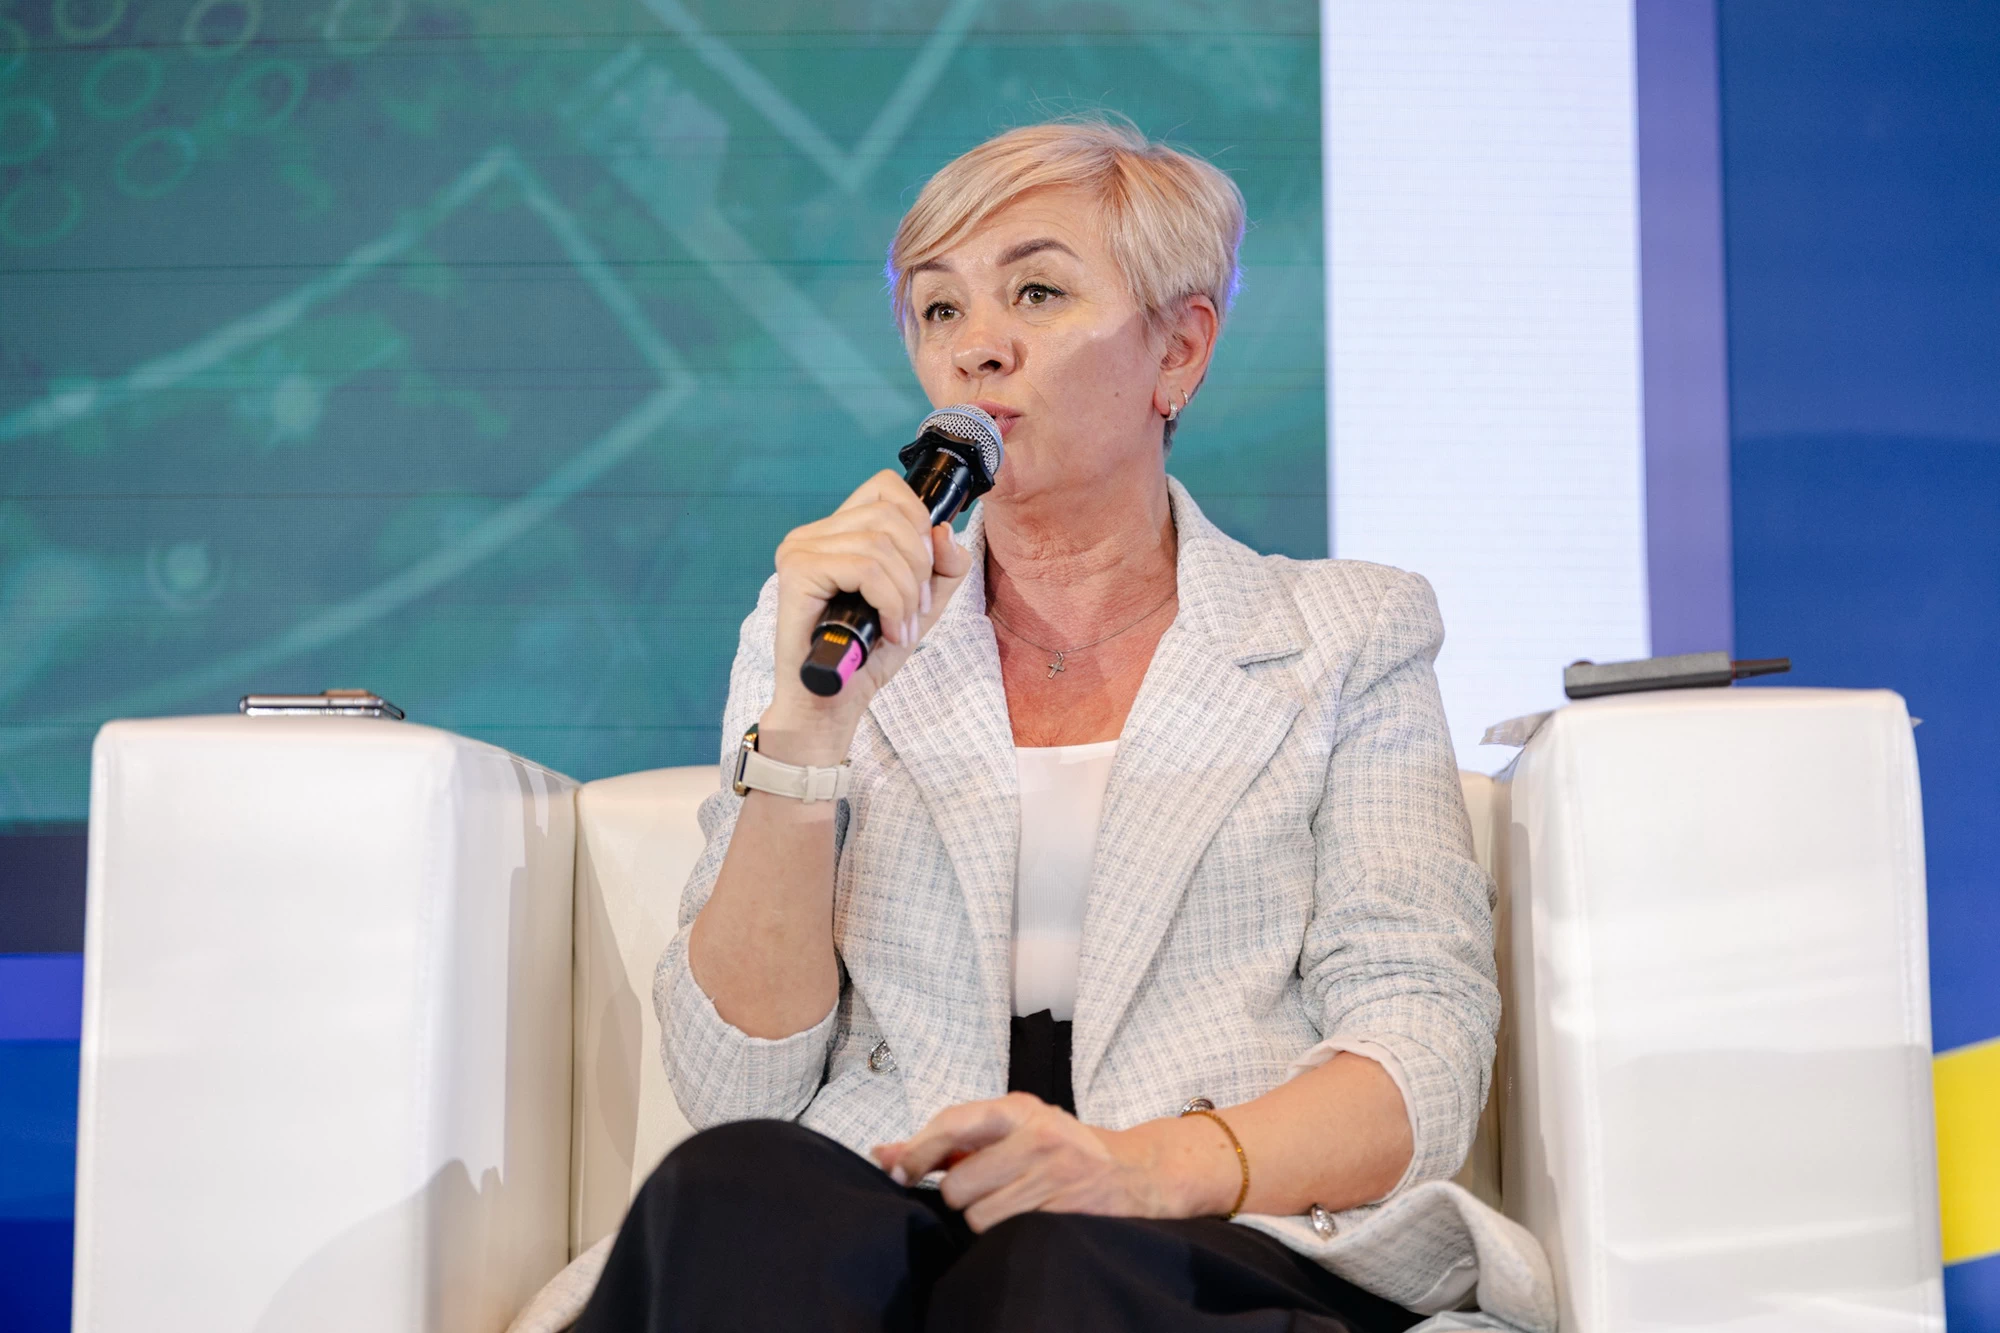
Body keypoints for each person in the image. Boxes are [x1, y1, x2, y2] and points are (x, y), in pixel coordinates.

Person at [574, 118, 1512, 1333]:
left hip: (1200, 1238)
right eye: (938, 309)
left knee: (1053, 1271)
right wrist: (810, 727)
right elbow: (735, 1084)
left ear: (1179, 348)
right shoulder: (824, 626)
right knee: (729, 1186)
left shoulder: (1345, 635)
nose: (977, 346)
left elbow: (1420, 1051)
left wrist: (1139, 1168)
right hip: (899, 1226)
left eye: (1035, 292)